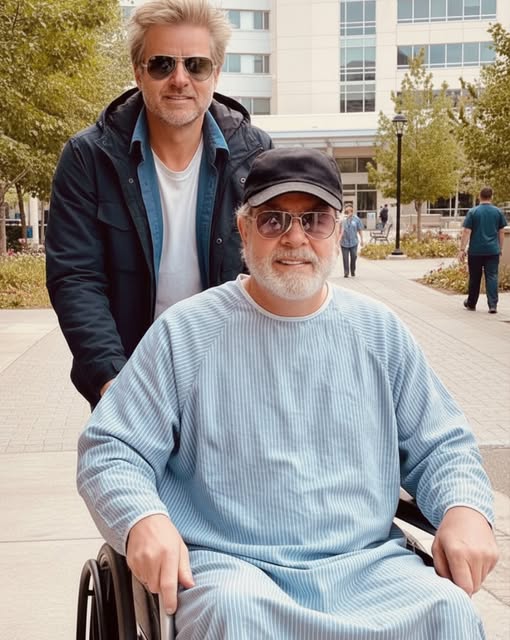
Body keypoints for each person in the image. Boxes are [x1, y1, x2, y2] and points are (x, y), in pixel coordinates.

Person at [78, 147, 498, 640]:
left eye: (315, 220)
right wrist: (142, 519)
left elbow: (442, 445)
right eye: (273, 220)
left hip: (366, 563)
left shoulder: (379, 332)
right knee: (233, 618)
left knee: (448, 612)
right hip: (232, 568)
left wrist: (465, 508)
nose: (295, 237)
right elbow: (112, 448)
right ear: (244, 230)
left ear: (338, 231)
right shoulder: (185, 333)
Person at [45, 0, 272, 406]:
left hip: (230, 383)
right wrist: (113, 383)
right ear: (138, 72)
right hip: (129, 377)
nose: (179, 79)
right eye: (161, 65)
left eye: (196, 66)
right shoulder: (88, 157)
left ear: (216, 73)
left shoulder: (256, 155)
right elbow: (76, 278)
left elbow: (270, 270)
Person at [459, 186, 506, 314]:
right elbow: (501, 232)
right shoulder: (498, 212)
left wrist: (462, 249)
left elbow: (466, 231)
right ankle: (492, 305)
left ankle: (471, 303)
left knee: (475, 277)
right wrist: (500, 248)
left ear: (479, 196)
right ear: (491, 196)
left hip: (475, 251)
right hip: (493, 250)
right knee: (492, 276)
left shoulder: (473, 212)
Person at [339, 202, 363, 277]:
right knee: (345, 258)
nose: (349, 212)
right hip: (344, 242)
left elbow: (360, 230)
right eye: (347, 211)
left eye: (350, 211)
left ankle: (353, 270)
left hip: (354, 242)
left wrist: (362, 240)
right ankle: (346, 272)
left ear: (352, 211)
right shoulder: (343, 220)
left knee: (354, 257)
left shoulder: (356, 219)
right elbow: (339, 231)